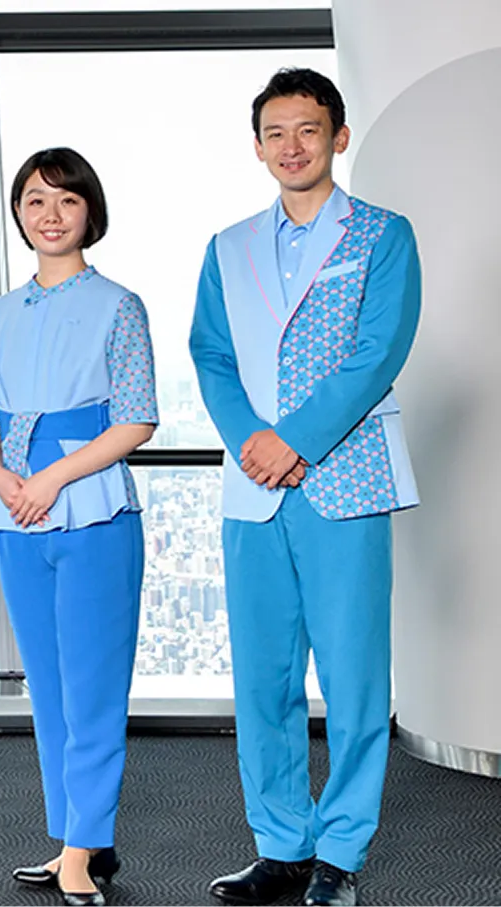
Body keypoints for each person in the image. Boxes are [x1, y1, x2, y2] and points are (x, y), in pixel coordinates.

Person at [192, 67, 421, 907]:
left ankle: (343, 852)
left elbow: (379, 350)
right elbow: (212, 355)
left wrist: (294, 440)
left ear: (339, 136)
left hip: (342, 481)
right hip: (253, 487)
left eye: (309, 130)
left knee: (356, 677)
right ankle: (283, 844)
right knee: (264, 678)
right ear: (257, 146)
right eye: (277, 133)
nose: (293, 146)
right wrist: (254, 442)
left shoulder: (383, 235)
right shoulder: (228, 246)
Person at [0, 147, 157, 907]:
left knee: (93, 685)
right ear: (18, 212)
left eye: (66, 201)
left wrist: (47, 478)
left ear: (91, 213)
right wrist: (4, 479)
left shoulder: (119, 304)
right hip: (15, 506)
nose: (50, 215)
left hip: (91, 503)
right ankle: (73, 836)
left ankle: (87, 843)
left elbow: (138, 417)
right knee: (46, 686)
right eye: (36, 200)